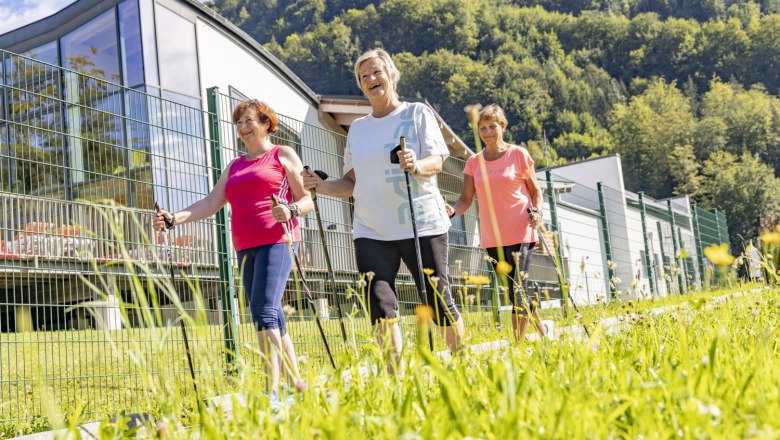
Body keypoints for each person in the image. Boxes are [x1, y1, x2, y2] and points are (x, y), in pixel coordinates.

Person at [302, 48, 465, 371]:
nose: (371, 79)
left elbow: (437, 160)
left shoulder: (416, 113)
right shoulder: (359, 129)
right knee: (379, 302)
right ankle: (395, 380)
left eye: (376, 72)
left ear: (392, 76)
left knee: (437, 300)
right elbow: (351, 182)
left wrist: (416, 165)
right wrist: (320, 186)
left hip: (421, 223)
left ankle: (463, 365)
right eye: (364, 77)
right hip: (372, 230)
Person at [154, 100, 311, 407]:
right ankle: (297, 388)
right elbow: (210, 203)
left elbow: (306, 200)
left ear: (266, 123)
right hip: (245, 247)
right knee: (274, 316)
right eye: (238, 123)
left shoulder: (282, 155)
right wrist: (174, 218)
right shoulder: (235, 166)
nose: (242, 128)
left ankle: (272, 396)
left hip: (277, 241)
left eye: (249, 120)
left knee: (264, 313)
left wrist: (290, 209)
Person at [446, 104, 551, 342]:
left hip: (521, 230)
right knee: (514, 290)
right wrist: (452, 211)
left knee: (517, 290)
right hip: (492, 236)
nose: (487, 132)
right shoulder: (473, 162)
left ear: (502, 126)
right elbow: (465, 199)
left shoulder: (519, 155)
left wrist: (538, 212)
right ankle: (543, 330)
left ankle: (518, 347)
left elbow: (536, 192)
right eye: (482, 128)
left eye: (492, 126)